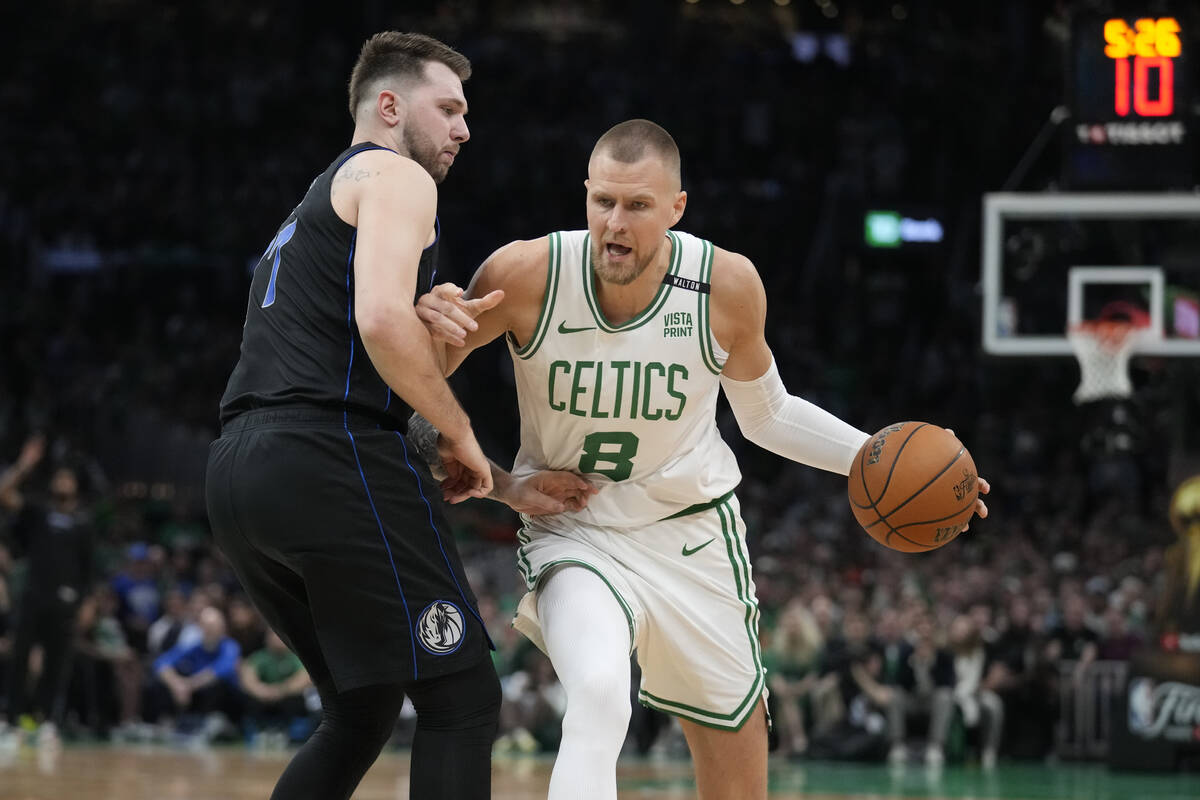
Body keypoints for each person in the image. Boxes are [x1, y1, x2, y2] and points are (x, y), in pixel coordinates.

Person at [415, 118, 990, 799]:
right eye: (603, 202)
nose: (615, 223)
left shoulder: (726, 285)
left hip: (692, 536)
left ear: (677, 208)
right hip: (578, 530)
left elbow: (767, 413)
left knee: (738, 778)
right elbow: (414, 390)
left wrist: (881, 458)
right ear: (587, 196)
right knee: (599, 696)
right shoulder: (525, 274)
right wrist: (501, 476)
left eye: (637, 206)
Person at [203, 31, 591, 800]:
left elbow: (369, 356)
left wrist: (503, 482)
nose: (464, 128)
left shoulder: (311, 209)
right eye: (448, 107)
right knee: (464, 701)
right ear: (388, 105)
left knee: (361, 710)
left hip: (241, 475)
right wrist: (463, 430)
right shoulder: (396, 175)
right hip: (325, 456)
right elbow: (380, 330)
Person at [0, 435, 94, 748]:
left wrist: (87, 604)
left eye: (67, 477)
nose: (62, 481)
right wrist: (24, 466)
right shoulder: (39, 511)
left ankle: (47, 722)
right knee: (19, 659)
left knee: (57, 665)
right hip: (33, 598)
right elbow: (5, 494)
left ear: (76, 485)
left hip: (66, 603)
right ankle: (11, 721)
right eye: (58, 476)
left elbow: (90, 570)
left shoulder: (84, 521)